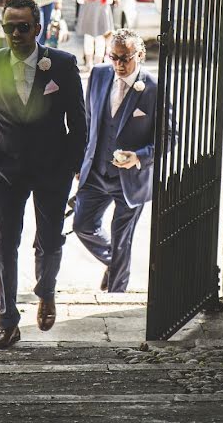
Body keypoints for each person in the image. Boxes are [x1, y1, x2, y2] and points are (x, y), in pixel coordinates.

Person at [0, 0, 86, 349]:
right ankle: (8, 321)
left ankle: (46, 291)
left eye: (23, 27)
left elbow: (79, 122)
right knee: (5, 244)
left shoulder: (62, 65)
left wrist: (71, 166)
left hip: (52, 169)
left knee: (50, 241)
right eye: (10, 27)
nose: (16, 33)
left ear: (38, 28)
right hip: (6, 169)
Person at [72, 30, 159, 292]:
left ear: (140, 55)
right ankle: (115, 262)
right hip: (96, 172)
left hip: (129, 180)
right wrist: (81, 162)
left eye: (126, 58)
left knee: (122, 239)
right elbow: (89, 121)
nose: (119, 64)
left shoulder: (153, 88)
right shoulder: (98, 75)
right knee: (82, 225)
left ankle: (116, 298)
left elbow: (169, 136)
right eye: (114, 57)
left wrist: (139, 157)